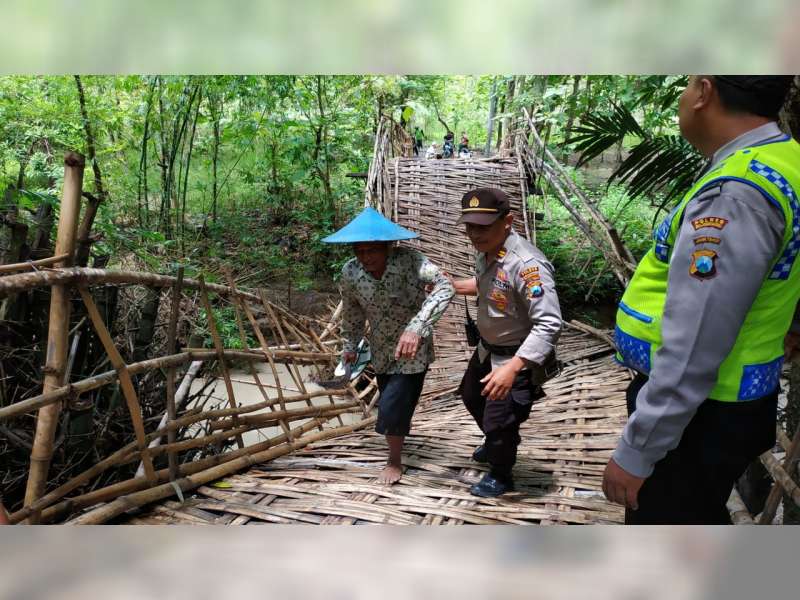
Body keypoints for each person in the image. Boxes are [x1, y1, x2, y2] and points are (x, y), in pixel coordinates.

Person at [603, 76, 800, 524]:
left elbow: (696, 341)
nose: (683, 95)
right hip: (732, 402)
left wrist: (638, 450)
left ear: (704, 92)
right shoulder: (787, 159)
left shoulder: (737, 193)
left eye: (688, 83)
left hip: (700, 416)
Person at [323, 207, 454, 484]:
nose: (366, 257)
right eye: (359, 250)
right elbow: (352, 313)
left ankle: (393, 461)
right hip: (381, 349)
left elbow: (445, 286)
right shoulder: (351, 272)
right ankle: (396, 443)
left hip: (413, 349)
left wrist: (417, 327)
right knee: (392, 400)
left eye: (372, 250)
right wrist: (349, 346)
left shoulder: (411, 261)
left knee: (392, 404)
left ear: (388, 246)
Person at [451, 187, 562, 497]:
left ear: (508, 221)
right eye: (470, 226)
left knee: (500, 420)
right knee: (472, 395)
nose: (475, 233)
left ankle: (501, 475)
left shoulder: (528, 266)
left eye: (483, 226)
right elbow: (490, 286)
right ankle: (497, 442)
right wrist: (456, 286)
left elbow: (550, 323)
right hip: (488, 349)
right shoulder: (489, 251)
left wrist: (514, 368)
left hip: (515, 357)